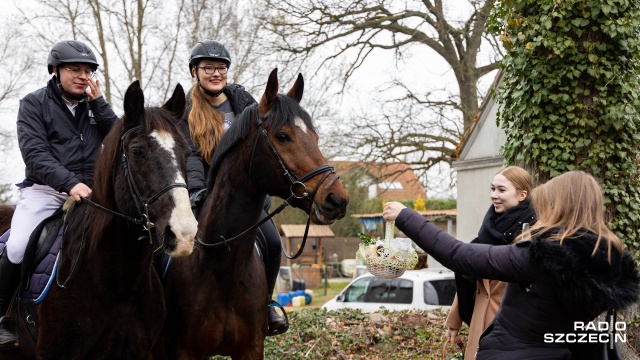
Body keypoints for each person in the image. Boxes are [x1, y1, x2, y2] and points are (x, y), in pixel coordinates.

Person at [383, 171, 639, 359]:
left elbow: (459, 255)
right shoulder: (603, 261)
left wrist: (406, 217)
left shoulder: (542, 257)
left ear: (558, 207)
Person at [0, 40, 118, 349]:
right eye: (74, 69)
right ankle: (4, 318)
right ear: (55, 70)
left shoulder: (96, 106)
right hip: (45, 192)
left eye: (88, 71)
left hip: (94, 193)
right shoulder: (32, 104)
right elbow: (36, 155)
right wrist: (69, 183)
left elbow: (122, 138)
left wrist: (101, 105)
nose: (82, 76)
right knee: (16, 246)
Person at [182, 40, 288, 335]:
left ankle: (266, 305)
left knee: (274, 243)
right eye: (208, 68)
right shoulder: (187, 110)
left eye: (221, 68)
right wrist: (196, 190)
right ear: (195, 71)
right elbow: (190, 154)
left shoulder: (245, 103)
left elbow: (261, 147)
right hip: (204, 195)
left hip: (246, 199)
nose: (216, 73)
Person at [444, 166, 535, 359]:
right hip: (479, 324)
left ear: (522, 195)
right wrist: (454, 321)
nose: (494, 195)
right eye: (492, 189)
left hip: (511, 329)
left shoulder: (533, 233)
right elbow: (468, 272)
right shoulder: (488, 230)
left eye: (502, 190)